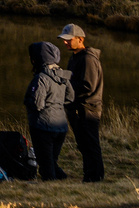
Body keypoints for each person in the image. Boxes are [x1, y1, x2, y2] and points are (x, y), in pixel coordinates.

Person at [24, 41, 74, 180]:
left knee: (45, 163)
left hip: (43, 126)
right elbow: (71, 97)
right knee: (51, 160)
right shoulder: (63, 76)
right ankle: (61, 179)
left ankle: (50, 187)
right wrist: (56, 105)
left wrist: (29, 103)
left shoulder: (41, 78)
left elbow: (37, 104)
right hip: (61, 125)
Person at [61, 23, 104, 182]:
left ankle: (95, 177)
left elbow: (88, 86)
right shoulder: (76, 57)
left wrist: (65, 85)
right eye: (64, 40)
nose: (65, 42)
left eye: (68, 39)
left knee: (90, 144)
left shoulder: (87, 58)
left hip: (87, 109)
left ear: (80, 39)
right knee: (84, 144)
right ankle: (89, 176)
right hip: (79, 108)